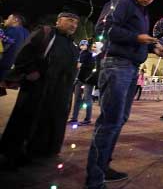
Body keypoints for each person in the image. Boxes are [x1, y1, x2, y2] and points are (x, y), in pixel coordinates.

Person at [85, 0, 163, 189]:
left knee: (119, 119)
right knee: (109, 121)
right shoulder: (123, 2)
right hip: (116, 65)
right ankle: (94, 179)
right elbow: (104, 29)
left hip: (130, 68)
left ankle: (103, 167)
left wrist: (153, 48)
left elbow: (136, 39)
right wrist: (137, 38)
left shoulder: (142, 11)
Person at [0, 11, 79, 169]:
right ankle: (13, 155)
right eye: (70, 20)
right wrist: (31, 72)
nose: (74, 25)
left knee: (47, 122)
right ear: (58, 21)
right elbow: (23, 54)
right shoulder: (45, 33)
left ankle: (38, 152)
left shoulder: (72, 44)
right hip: (37, 88)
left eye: (76, 23)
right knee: (26, 121)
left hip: (58, 92)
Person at [69, 40, 95, 126]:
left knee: (87, 99)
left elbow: (91, 66)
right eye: (82, 45)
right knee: (76, 99)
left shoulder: (90, 54)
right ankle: (74, 118)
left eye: (85, 45)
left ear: (87, 46)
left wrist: (81, 65)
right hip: (79, 79)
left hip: (87, 80)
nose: (83, 46)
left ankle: (87, 118)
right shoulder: (79, 53)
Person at [0, 13, 29, 81]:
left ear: (15, 20)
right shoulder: (27, 32)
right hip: (17, 67)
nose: (5, 20)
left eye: (8, 18)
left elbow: (4, 47)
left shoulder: (12, 29)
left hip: (4, 65)